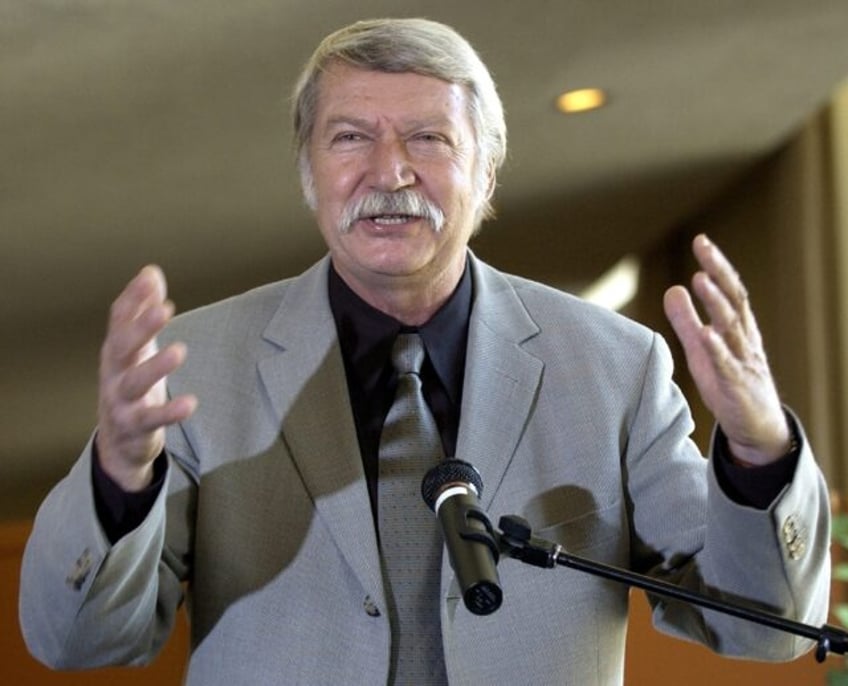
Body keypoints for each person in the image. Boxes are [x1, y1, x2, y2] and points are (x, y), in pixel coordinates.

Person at [19, 17, 830, 685]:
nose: (390, 170)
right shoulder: (198, 365)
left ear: (487, 174)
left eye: (429, 138)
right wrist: (118, 479)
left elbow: (762, 629)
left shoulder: (615, 367)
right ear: (308, 171)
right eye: (349, 138)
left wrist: (760, 450)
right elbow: (79, 643)